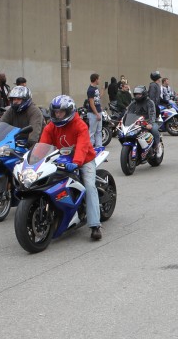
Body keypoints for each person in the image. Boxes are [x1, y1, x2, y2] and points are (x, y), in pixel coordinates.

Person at [41, 95, 103, 240]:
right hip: (61, 159)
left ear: (68, 111)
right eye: (56, 112)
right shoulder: (51, 126)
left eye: (61, 112)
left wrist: (76, 162)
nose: (57, 115)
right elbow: (43, 145)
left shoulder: (79, 124)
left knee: (89, 185)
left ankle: (95, 225)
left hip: (84, 159)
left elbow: (82, 146)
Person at [86, 73, 103, 148]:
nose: (99, 80)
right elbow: (91, 103)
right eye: (98, 79)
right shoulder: (90, 90)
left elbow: (98, 98)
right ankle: (89, 148)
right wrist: (96, 114)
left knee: (99, 131)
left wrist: (103, 89)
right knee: (92, 132)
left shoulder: (96, 89)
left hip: (98, 112)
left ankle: (99, 148)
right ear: (96, 79)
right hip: (93, 114)